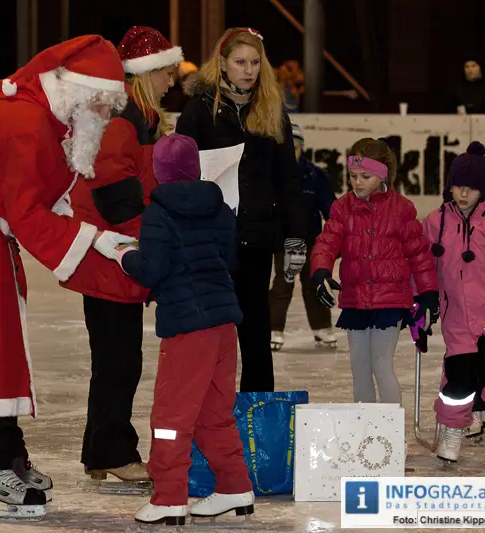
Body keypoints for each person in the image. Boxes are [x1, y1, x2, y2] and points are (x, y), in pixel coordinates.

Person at [0, 35, 132, 520]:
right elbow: (28, 212)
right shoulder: (25, 124)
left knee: (2, 342)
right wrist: (98, 241)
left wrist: (93, 236)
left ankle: (8, 452)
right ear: (77, 91)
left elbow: (35, 197)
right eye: (100, 101)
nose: (104, 112)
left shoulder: (44, 116)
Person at [104, 133, 253, 525]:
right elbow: (228, 260)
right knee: (213, 413)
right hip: (223, 323)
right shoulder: (220, 208)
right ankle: (235, 486)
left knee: (171, 417)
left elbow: (151, 269)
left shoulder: (159, 211)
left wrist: (125, 256)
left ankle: (170, 496)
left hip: (188, 328)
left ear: (159, 171)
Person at [61, 26, 182, 485]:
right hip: (113, 254)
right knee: (119, 357)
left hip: (115, 252)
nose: (173, 82)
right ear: (146, 74)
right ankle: (113, 451)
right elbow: (116, 193)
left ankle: (99, 451)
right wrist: (149, 244)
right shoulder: (124, 117)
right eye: (167, 74)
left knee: (114, 355)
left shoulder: (137, 117)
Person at [175, 27, 308, 392]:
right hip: (210, 243)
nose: (248, 70)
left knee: (255, 335)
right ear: (222, 64)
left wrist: (296, 235)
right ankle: (209, 418)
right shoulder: (198, 111)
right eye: (239, 62)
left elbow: (288, 178)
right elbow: (179, 177)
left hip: (255, 239)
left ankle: (258, 420)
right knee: (211, 338)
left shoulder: (271, 110)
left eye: (254, 62)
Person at [310, 138, 439, 405]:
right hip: (356, 298)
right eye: (353, 176)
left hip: (389, 300)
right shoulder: (342, 207)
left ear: (382, 175)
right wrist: (321, 271)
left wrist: (428, 293)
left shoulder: (401, 209)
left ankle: (390, 433)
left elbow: (419, 254)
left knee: (381, 365)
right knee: (359, 369)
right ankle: (365, 431)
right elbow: (327, 241)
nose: (357, 183)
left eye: (365, 176)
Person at [422, 141, 485, 463]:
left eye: (470, 188)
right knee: (458, 377)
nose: (462, 194)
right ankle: (453, 429)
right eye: (457, 186)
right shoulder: (435, 222)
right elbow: (422, 264)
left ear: (483, 190)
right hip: (456, 315)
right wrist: (422, 299)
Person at [269, 123, 336, 351]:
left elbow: (330, 208)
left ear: (301, 147)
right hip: (284, 240)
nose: (292, 150)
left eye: (295, 145)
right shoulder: (274, 175)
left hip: (311, 240)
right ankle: (273, 329)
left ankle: (322, 327)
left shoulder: (315, 175)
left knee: (313, 283)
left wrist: (335, 234)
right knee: (283, 284)